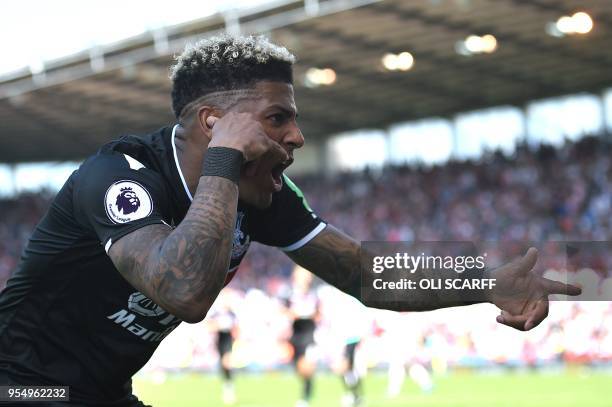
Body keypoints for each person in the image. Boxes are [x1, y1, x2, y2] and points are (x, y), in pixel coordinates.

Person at [0, 34, 581, 406]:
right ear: (212, 122)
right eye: (277, 118)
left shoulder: (263, 194)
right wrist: (226, 159)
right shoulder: (120, 176)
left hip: (101, 393)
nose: (297, 137)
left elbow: (362, 271)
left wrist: (483, 282)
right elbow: (181, 290)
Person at [285, 266, 320, 407]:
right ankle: (307, 389)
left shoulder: (314, 294)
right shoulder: (290, 294)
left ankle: (305, 398)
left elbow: (319, 313)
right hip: (296, 335)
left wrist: (309, 314)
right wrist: (293, 314)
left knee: (306, 366)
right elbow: (284, 310)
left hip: (309, 334)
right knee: (299, 368)